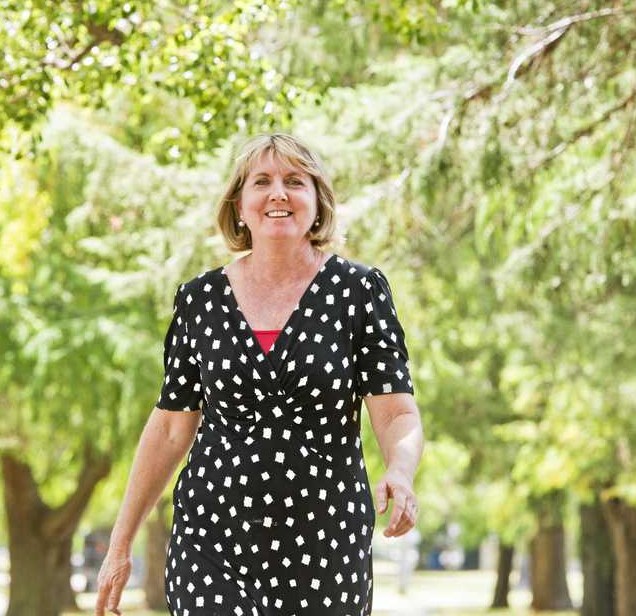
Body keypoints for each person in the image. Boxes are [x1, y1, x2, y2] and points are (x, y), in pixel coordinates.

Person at [95, 133, 424, 615]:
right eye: (262, 182)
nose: (278, 193)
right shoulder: (200, 300)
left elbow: (396, 412)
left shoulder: (358, 291)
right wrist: (120, 545)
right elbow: (169, 428)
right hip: (212, 538)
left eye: (295, 181)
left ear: (317, 203)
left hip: (324, 542)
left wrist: (400, 470)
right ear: (239, 205)